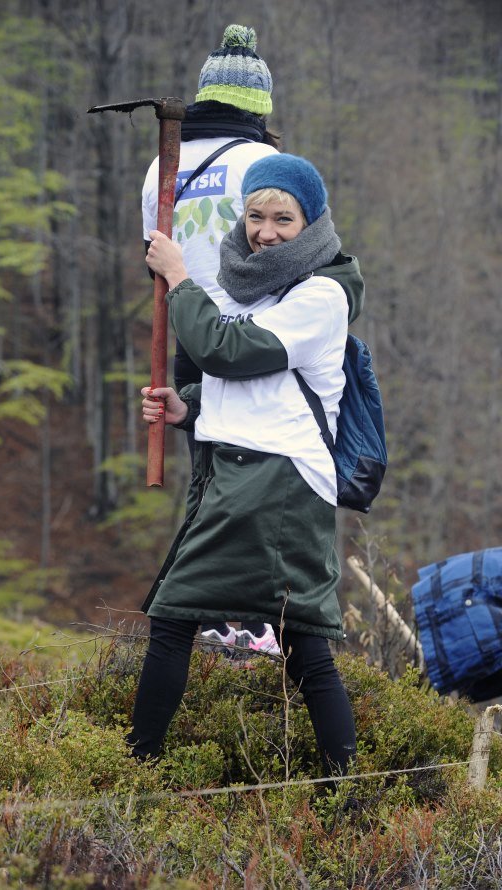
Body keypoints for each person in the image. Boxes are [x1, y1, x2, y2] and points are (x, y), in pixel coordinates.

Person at [129, 153, 363, 780]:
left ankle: (133, 770)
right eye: (256, 215)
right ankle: (349, 791)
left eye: (283, 218)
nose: (265, 231)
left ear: (311, 222)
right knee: (303, 640)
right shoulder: (256, 288)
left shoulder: (322, 295)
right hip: (247, 472)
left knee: (176, 615)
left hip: (274, 480)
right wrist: (188, 409)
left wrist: (180, 280)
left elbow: (228, 350)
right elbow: (252, 385)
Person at [142, 23, 281, 655]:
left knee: (208, 475)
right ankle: (245, 623)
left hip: (187, 337)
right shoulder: (264, 166)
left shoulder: (161, 166)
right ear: (258, 107)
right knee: (253, 478)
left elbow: (154, 257)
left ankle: (209, 618)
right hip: (249, 336)